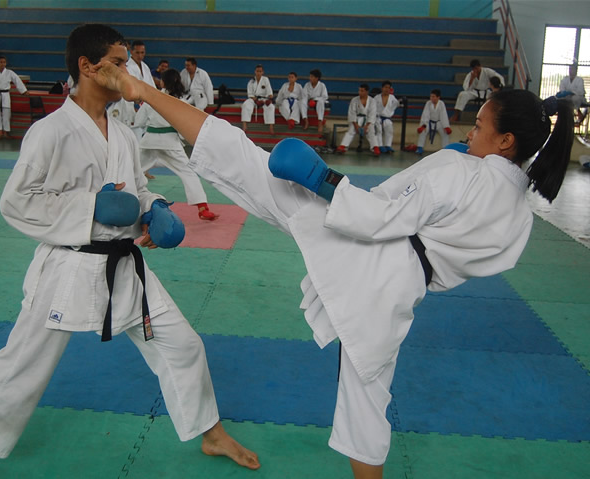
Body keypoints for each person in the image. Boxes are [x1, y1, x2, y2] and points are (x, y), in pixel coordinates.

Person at [90, 61, 573, 479]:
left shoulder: (463, 173)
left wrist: (322, 177)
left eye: (482, 125)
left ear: (507, 140)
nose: (471, 131)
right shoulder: (517, 211)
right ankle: (146, 93)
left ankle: (144, 93)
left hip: (368, 250)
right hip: (402, 288)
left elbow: (375, 218)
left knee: (248, 162)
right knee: (366, 397)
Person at [0, 24, 260, 479]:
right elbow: (17, 202)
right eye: (117, 63)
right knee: (22, 363)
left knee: (182, 344)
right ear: (87, 67)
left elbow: (133, 193)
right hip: (67, 267)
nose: (125, 70)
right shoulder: (49, 131)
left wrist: (154, 211)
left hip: (123, 267)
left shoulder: (124, 134)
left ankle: (209, 432)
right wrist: (90, 205)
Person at [134, 68, 218, 220]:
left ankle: (117, 195)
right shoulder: (181, 102)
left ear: (162, 82)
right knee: (188, 173)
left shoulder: (151, 98)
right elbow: (183, 126)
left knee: (134, 171)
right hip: (170, 142)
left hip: (149, 141)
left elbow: (139, 121)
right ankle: (202, 209)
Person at [0, 55, 29, 139]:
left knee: (6, 114)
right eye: (1, 62)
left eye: (4, 62)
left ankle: (6, 132)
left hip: (5, 95)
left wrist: (23, 91)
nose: (2, 64)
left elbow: (17, 80)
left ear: (6, 63)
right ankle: (0, 132)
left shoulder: (9, 73)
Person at [336, 83, 380, 156]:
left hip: (368, 120)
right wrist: (355, 125)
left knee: (371, 130)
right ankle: (343, 146)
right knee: (351, 129)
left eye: (362, 91)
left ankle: (375, 148)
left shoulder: (372, 101)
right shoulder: (354, 100)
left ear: (367, 92)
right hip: (356, 119)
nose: (360, 92)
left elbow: (372, 114)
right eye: (359, 90)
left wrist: (366, 125)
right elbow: (352, 113)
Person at [241, 64, 275, 134]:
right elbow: (250, 94)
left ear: (262, 72)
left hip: (264, 99)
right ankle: (244, 125)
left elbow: (270, 93)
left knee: (271, 107)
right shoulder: (251, 81)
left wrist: (269, 100)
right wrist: (255, 100)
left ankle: (271, 127)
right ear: (255, 72)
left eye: (260, 71)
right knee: (246, 104)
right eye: (257, 71)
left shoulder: (266, 79)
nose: (258, 73)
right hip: (254, 99)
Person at [415, 89, 451, 155]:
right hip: (429, 122)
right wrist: (423, 125)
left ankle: (445, 149)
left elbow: (443, 115)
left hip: (439, 123)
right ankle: (420, 147)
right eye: (431, 96)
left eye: (433, 96)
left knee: (445, 133)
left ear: (438, 97)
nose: (431, 98)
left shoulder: (441, 104)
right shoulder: (428, 103)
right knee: (423, 131)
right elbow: (425, 114)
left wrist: (446, 126)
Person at [301, 68, 328, 134]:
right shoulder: (307, 85)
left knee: (320, 102)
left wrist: (315, 100)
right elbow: (304, 95)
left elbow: (325, 96)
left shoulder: (322, 85)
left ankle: (320, 122)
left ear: (317, 78)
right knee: (302, 102)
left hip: (318, 102)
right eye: (310, 76)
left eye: (312, 77)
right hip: (309, 101)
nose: (310, 78)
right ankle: (306, 121)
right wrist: (309, 100)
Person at [374, 80, 398, 153]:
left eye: (388, 88)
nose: (387, 89)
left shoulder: (392, 98)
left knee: (389, 130)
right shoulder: (376, 97)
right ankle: (380, 146)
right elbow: (373, 108)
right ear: (382, 88)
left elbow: (396, 105)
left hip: (387, 118)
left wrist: (390, 113)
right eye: (385, 87)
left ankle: (388, 145)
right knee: (379, 131)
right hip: (377, 117)